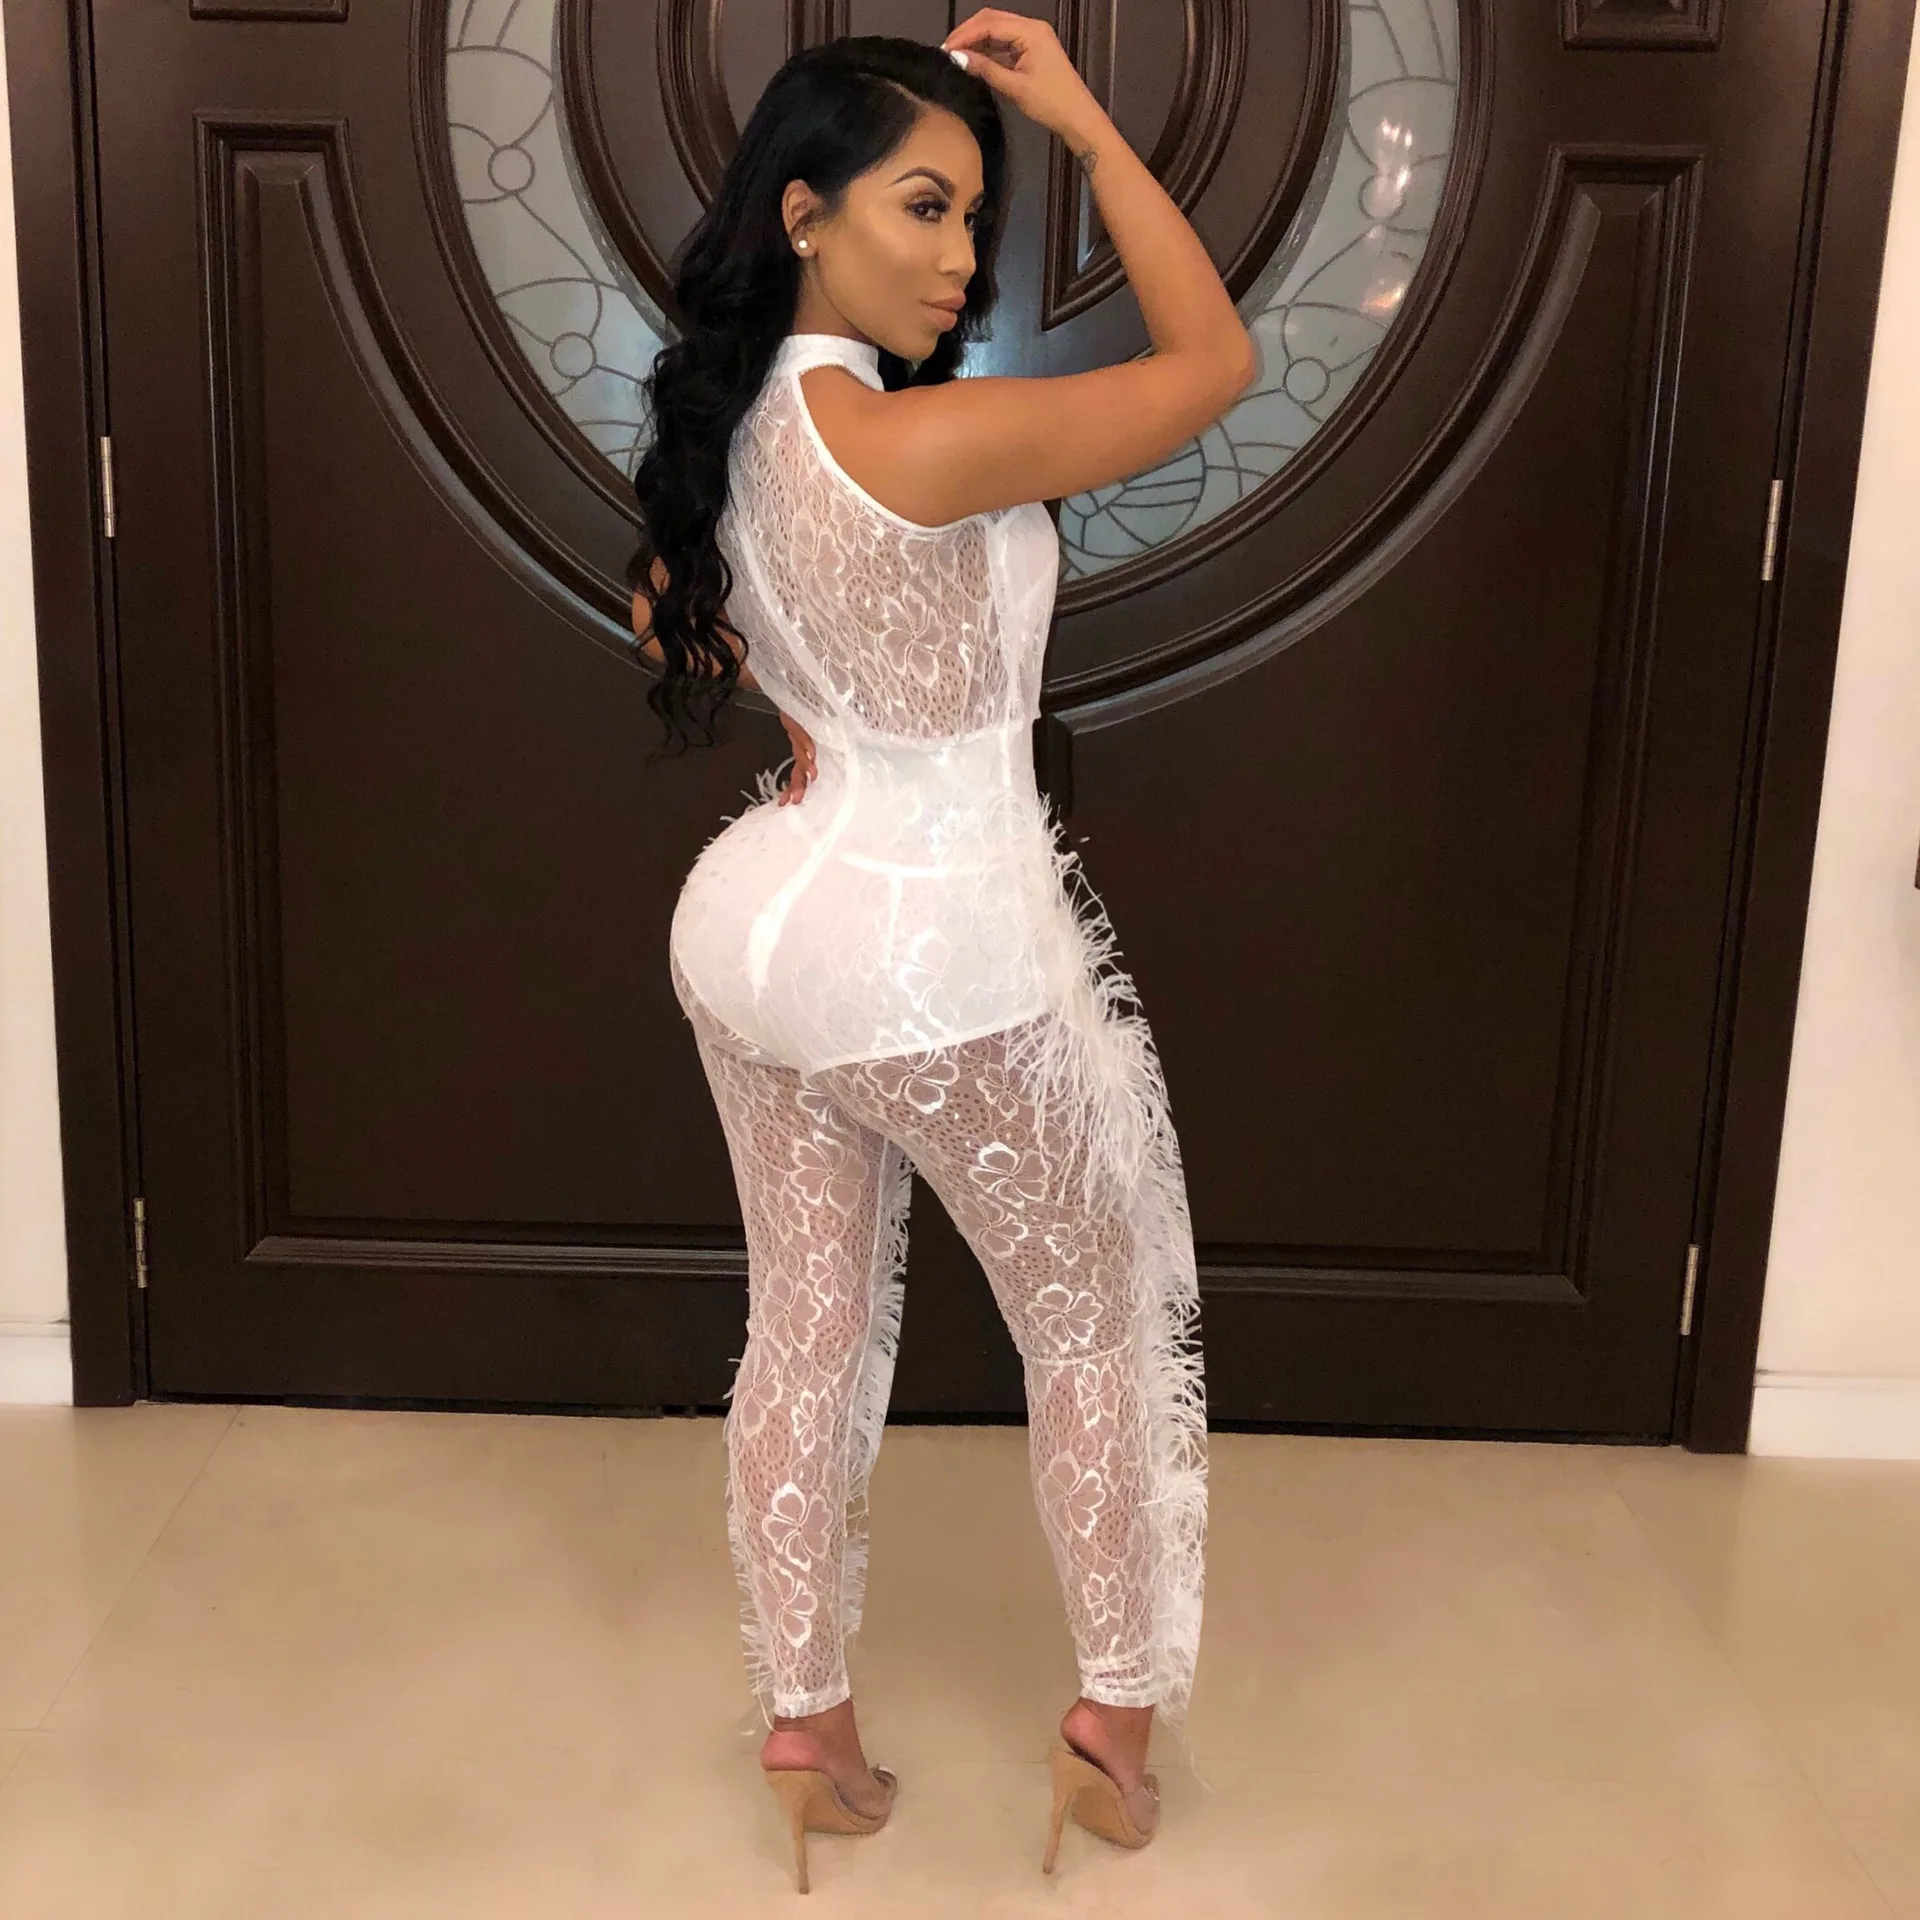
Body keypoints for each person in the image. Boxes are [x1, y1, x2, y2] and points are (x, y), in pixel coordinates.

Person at [627, 10, 1255, 1888]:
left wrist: (830, 720)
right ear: (803, 212)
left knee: (804, 1326)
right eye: (926, 204)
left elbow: (679, 620)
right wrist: (1082, 121)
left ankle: (804, 1728)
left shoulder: (728, 437)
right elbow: (1214, 362)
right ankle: (1110, 1732)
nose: (964, 255)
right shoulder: (918, 441)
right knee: (1098, 1330)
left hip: (759, 929)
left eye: (979, 213)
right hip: (933, 952)